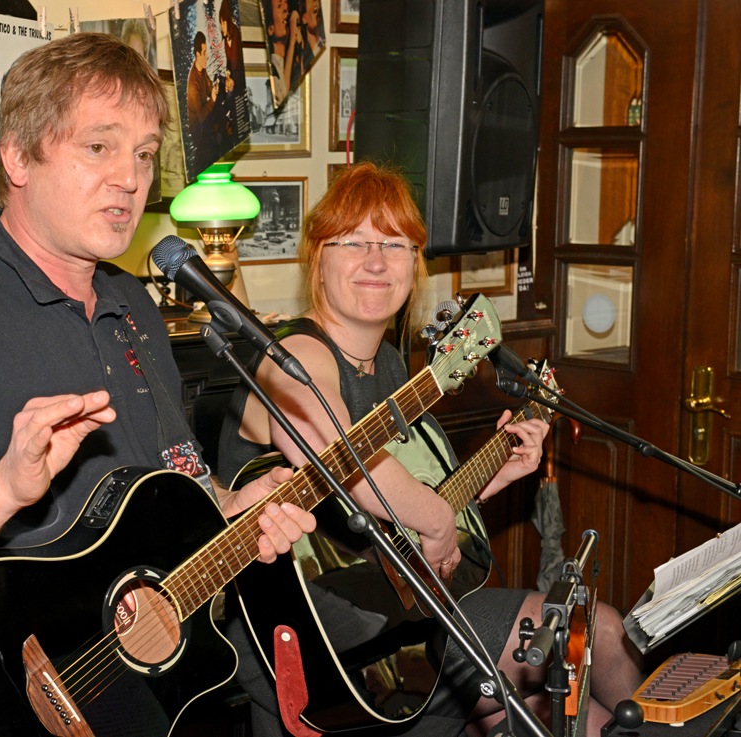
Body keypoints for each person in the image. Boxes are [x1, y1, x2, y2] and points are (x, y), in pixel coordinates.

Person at [0, 31, 314, 733]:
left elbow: (160, 498)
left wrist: (232, 510)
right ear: (18, 156)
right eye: (99, 147)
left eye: (145, 154)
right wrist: (4, 486)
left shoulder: (137, 307)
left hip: (143, 697)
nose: (130, 177)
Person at [217, 162, 644, 737]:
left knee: (590, 678)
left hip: (400, 628)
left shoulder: (390, 365)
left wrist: (491, 476)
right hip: (323, 657)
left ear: (415, 267)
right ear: (318, 259)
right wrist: (439, 517)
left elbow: (391, 512)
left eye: (395, 245)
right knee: (593, 633)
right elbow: (337, 456)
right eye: (356, 243)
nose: (376, 262)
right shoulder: (294, 354)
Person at [263, 0, 301, 106]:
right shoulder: (273, 69)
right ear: (271, 29)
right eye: (280, 6)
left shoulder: (295, 62)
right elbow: (282, 97)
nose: (286, 9)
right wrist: (292, 41)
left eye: (286, 3)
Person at [186, 30, 218, 143]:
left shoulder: (202, 70)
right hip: (198, 130)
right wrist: (213, 100)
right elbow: (200, 117)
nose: (207, 57)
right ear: (197, 54)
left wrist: (216, 87)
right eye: (204, 53)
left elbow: (209, 88)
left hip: (204, 117)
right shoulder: (193, 85)